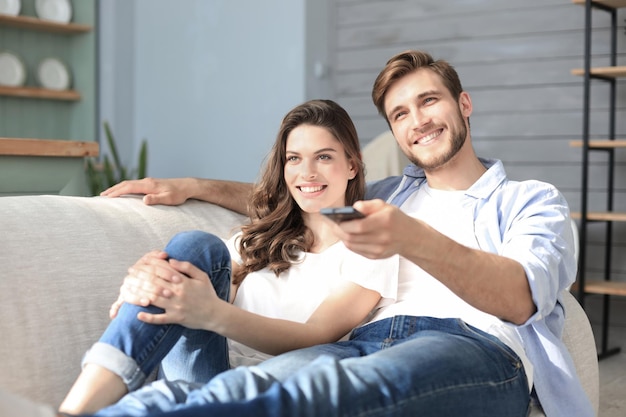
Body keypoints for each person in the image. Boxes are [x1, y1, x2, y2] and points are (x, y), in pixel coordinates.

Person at [2, 49, 591, 417]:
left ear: (463, 105)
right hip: (361, 339)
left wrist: (411, 238)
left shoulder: (530, 201)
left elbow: (520, 298)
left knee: (325, 392)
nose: (418, 122)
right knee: (260, 389)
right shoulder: (391, 194)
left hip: (475, 349)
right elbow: (301, 196)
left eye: (429, 101)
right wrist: (191, 185)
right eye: (400, 115)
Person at [57, 99, 398, 415]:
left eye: (323, 157)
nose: (306, 173)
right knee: (195, 246)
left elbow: (315, 335)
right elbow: (190, 277)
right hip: (200, 370)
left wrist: (211, 313)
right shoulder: (264, 235)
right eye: (294, 158)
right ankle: (74, 409)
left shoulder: (371, 245)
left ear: (352, 165)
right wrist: (145, 281)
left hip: (266, 392)